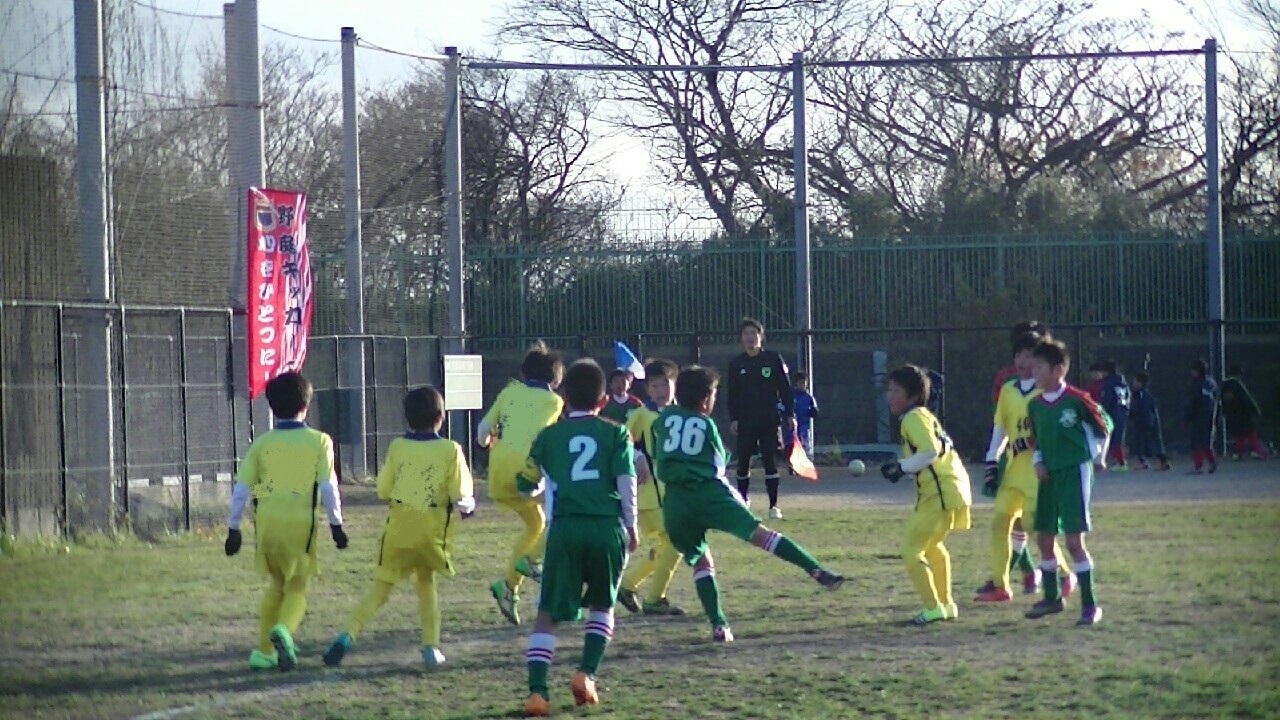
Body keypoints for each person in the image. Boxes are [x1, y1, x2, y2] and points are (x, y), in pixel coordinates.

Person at [654, 365, 844, 643]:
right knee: (762, 535)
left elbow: (665, 434)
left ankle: (719, 624)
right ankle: (814, 568)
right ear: (706, 400)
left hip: (676, 501)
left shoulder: (664, 419)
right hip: (709, 493)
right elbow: (718, 463)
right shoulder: (706, 425)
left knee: (702, 562)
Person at [323, 386, 476, 669]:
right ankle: (431, 646)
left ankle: (347, 636)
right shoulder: (450, 450)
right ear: (441, 417)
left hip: (399, 529)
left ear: (406, 418)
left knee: (379, 590)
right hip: (431, 533)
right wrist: (467, 509)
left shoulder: (398, 447)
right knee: (426, 585)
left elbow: (383, 489)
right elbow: (461, 496)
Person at [517, 359, 638, 717]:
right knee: (602, 605)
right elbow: (626, 482)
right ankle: (586, 674)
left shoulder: (549, 436)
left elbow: (526, 485)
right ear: (603, 400)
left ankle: (538, 693)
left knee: (547, 615)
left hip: (566, 528)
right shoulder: (616, 433)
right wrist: (632, 526)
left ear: (564, 396)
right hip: (606, 526)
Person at [224, 371, 348, 671]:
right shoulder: (320, 441)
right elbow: (328, 487)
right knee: (297, 587)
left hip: (267, 526)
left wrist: (233, 528)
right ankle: (284, 631)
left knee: (276, 584)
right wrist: (336, 526)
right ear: (306, 405)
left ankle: (264, 651)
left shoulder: (261, 444)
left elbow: (241, 489)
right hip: (299, 526)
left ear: (271, 407)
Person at [976, 333, 1072, 603]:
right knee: (999, 523)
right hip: (1013, 472)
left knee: (1035, 526)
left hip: (1038, 471)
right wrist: (992, 460)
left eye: (1028, 355)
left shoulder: (1047, 392)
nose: (1022, 360)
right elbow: (1001, 428)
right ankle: (1000, 585)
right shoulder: (1009, 390)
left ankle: (1065, 574)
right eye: (1018, 355)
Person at [477, 341, 566, 625]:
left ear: (524, 373)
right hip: (526, 470)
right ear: (555, 379)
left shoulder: (509, 390)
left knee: (535, 524)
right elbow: (547, 437)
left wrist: (488, 441)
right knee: (563, 514)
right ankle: (532, 561)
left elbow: (482, 432)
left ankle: (509, 588)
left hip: (498, 468)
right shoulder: (555, 401)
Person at [1026, 338, 1112, 626]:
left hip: (1074, 471)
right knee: (1044, 537)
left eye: (1039, 367)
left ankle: (1090, 605)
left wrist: (1099, 456)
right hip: (1048, 475)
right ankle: (1052, 598)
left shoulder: (1077, 399)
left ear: (1058, 370)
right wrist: (1037, 462)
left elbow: (1105, 427)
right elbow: (1036, 439)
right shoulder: (1035, 406)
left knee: (1074, 541)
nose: (1033, 372)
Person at [880, 364, 972, 625]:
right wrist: (903, 467)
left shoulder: (912, 418)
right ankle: (946, 604)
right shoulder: (922, 415)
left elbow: (930, 450)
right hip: (951, 488)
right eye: (889, 389)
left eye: (896, 390)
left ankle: (933, 608)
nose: (890, 395)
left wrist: (902, 467)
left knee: (911, 551)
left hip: (939, 492)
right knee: (933, 547)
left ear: (911, 395)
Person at [618, 358, 685, 616]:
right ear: (647, 389)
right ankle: (654, 598)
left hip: (670, 495)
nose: (661, 390)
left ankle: (628, 585)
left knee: (668, 546)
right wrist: (637, 457)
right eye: (655, 386)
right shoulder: (641, 415)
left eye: (666, 384)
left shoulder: (679, 415)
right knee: (676, 543)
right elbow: (619, 441)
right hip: (649, 496)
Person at [726, 318, 795, 519]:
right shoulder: (736, 364)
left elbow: (785, 389)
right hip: (746, 421)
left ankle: (774, 506)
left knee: (770, 461)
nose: (749, 338)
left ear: (761, 336)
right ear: (741, 339)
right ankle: (743, 500)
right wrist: (734, 419)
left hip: (769, 420)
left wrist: (790, 414)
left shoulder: (773, 359)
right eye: (745, 334)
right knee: (743, 462)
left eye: (753, 333)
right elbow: (732, 395)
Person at [1221, 364, 1268, 461]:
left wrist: (1224, 413)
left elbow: (1223, 401)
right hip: (1244, 414)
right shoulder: (1238, 385)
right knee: (1250, 435)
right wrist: (1256, 410)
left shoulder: (1225, 385)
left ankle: (1237, 453)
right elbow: (1246, 399)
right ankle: (1258, 451)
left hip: (1232, 415)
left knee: (1238, 435)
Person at [1128, 372, 1170, 470]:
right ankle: (1159, 462)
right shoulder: (1141, 394)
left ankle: (1147, 462)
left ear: (1140, 383)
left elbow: (1143, 409)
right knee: (1152, 444)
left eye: (1135, 381)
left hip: (1146, 423)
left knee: (1145, 443)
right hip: (1147, 422)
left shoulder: (1142, 395)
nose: (1133, 384)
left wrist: (1133, 415)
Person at [1185, 359, 1220, 475]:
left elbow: (1192, 401)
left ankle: (1198, 466)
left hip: (1198, 416)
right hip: (1210, 415)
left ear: (1196, 371)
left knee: (1196, 443)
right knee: (1207, 442)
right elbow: (1216, 400)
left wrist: (1187, 416)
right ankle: (1212, 462)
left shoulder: (1196, 384)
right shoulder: (1211, 383)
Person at [1099, 360, 1131, 470]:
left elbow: (1107, 400)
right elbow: (1128, 398)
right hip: (1122, 412)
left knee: (1113, 439)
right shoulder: (1123, 384)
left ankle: (1121, 463)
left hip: (1112, 413)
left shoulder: (1108, 384)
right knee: (1119, 438)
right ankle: (1119, 461)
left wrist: (1102, 411)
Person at [786, 371, 819, 457]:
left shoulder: (809, 397)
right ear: (796, 383)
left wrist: (813, 411)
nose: (803, 385)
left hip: (804, 431)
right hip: (791, 431)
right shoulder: (790, 396)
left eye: (804, 383)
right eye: (801, 382)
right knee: (791, 454)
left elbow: (815, 411)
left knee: (804, 454)